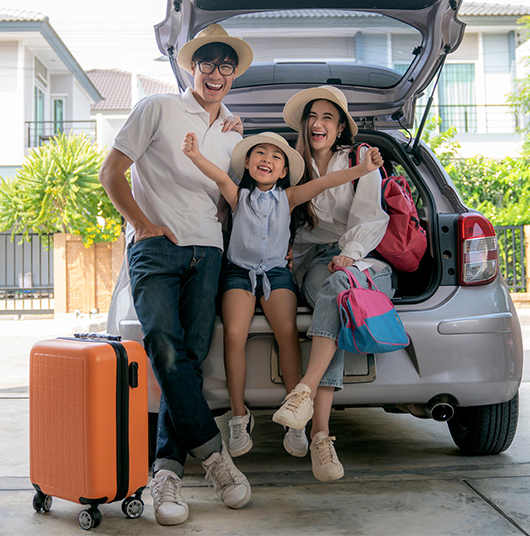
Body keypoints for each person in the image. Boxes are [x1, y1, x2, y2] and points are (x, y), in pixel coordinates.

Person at [98, 24, 253, 526]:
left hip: (207, 251)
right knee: (164, 346)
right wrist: (141, 223)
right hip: (156, 249)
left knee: (187, 358)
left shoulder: (234, 131)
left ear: (233, 74)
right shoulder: (157, 109)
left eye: (225, 65)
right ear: (191, 68)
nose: (215, 73)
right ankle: (215, 459)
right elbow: (111, 172)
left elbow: (234, 199)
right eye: (206, 63)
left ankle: (165, 472)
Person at [181, 130, 382, 459]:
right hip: (238, 272)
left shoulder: (288, 197)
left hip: (276, 273)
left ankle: (296, 420)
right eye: (260, 153)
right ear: (247, 163)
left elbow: (327, 182)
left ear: (284, 172)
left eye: (276, 157)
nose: (267, 160)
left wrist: (362, 169)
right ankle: (238, 415)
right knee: (234, 334)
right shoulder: (238, 196)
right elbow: (218, 176)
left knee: (286, 333)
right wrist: (194, 155)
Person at [271, 85, 393, 482]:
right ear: (304, 126)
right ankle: (321, 439)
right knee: (337, 294)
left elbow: (371, 218)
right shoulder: (290, 164)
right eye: (312, 117)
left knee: (340, 287)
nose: (318, 124)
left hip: (363, 258)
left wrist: (351, 253)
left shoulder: (360, 160)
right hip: (312, 261)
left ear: (341, 127)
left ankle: (307, 404)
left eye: (327, 117)